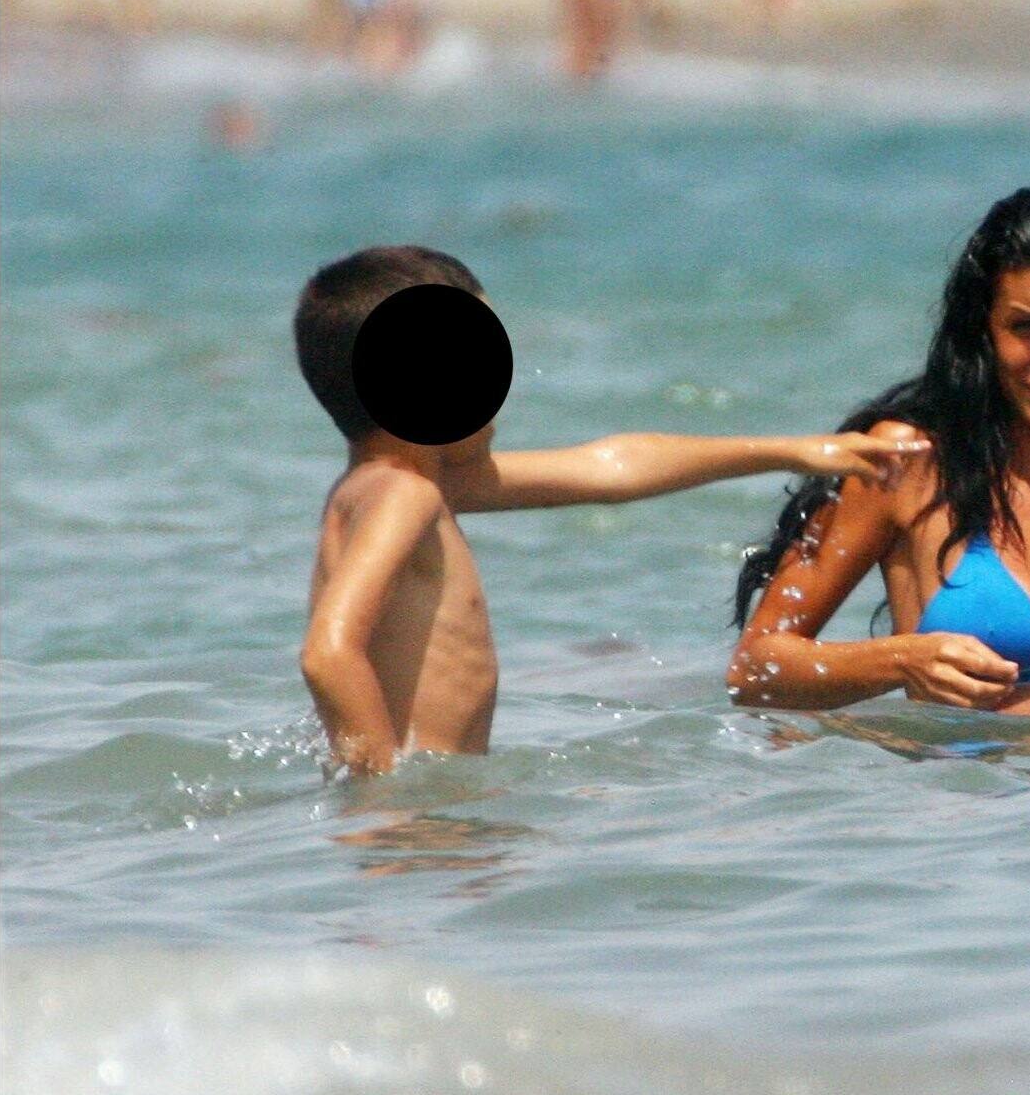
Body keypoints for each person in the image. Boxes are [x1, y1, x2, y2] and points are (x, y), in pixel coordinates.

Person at [295, 245, 930, 776]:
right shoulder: (406, 496)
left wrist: (793, 451)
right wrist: (381, 796)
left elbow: (611, 468)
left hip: (435, 814)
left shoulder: (393, 487)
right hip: (419, 826)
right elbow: (328, 654)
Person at [729, 182, 1030, 725]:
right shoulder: (905, 458)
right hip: (964, 781)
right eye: (1027, 326)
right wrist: (900, 661)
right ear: (983, 323)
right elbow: (754, 671)